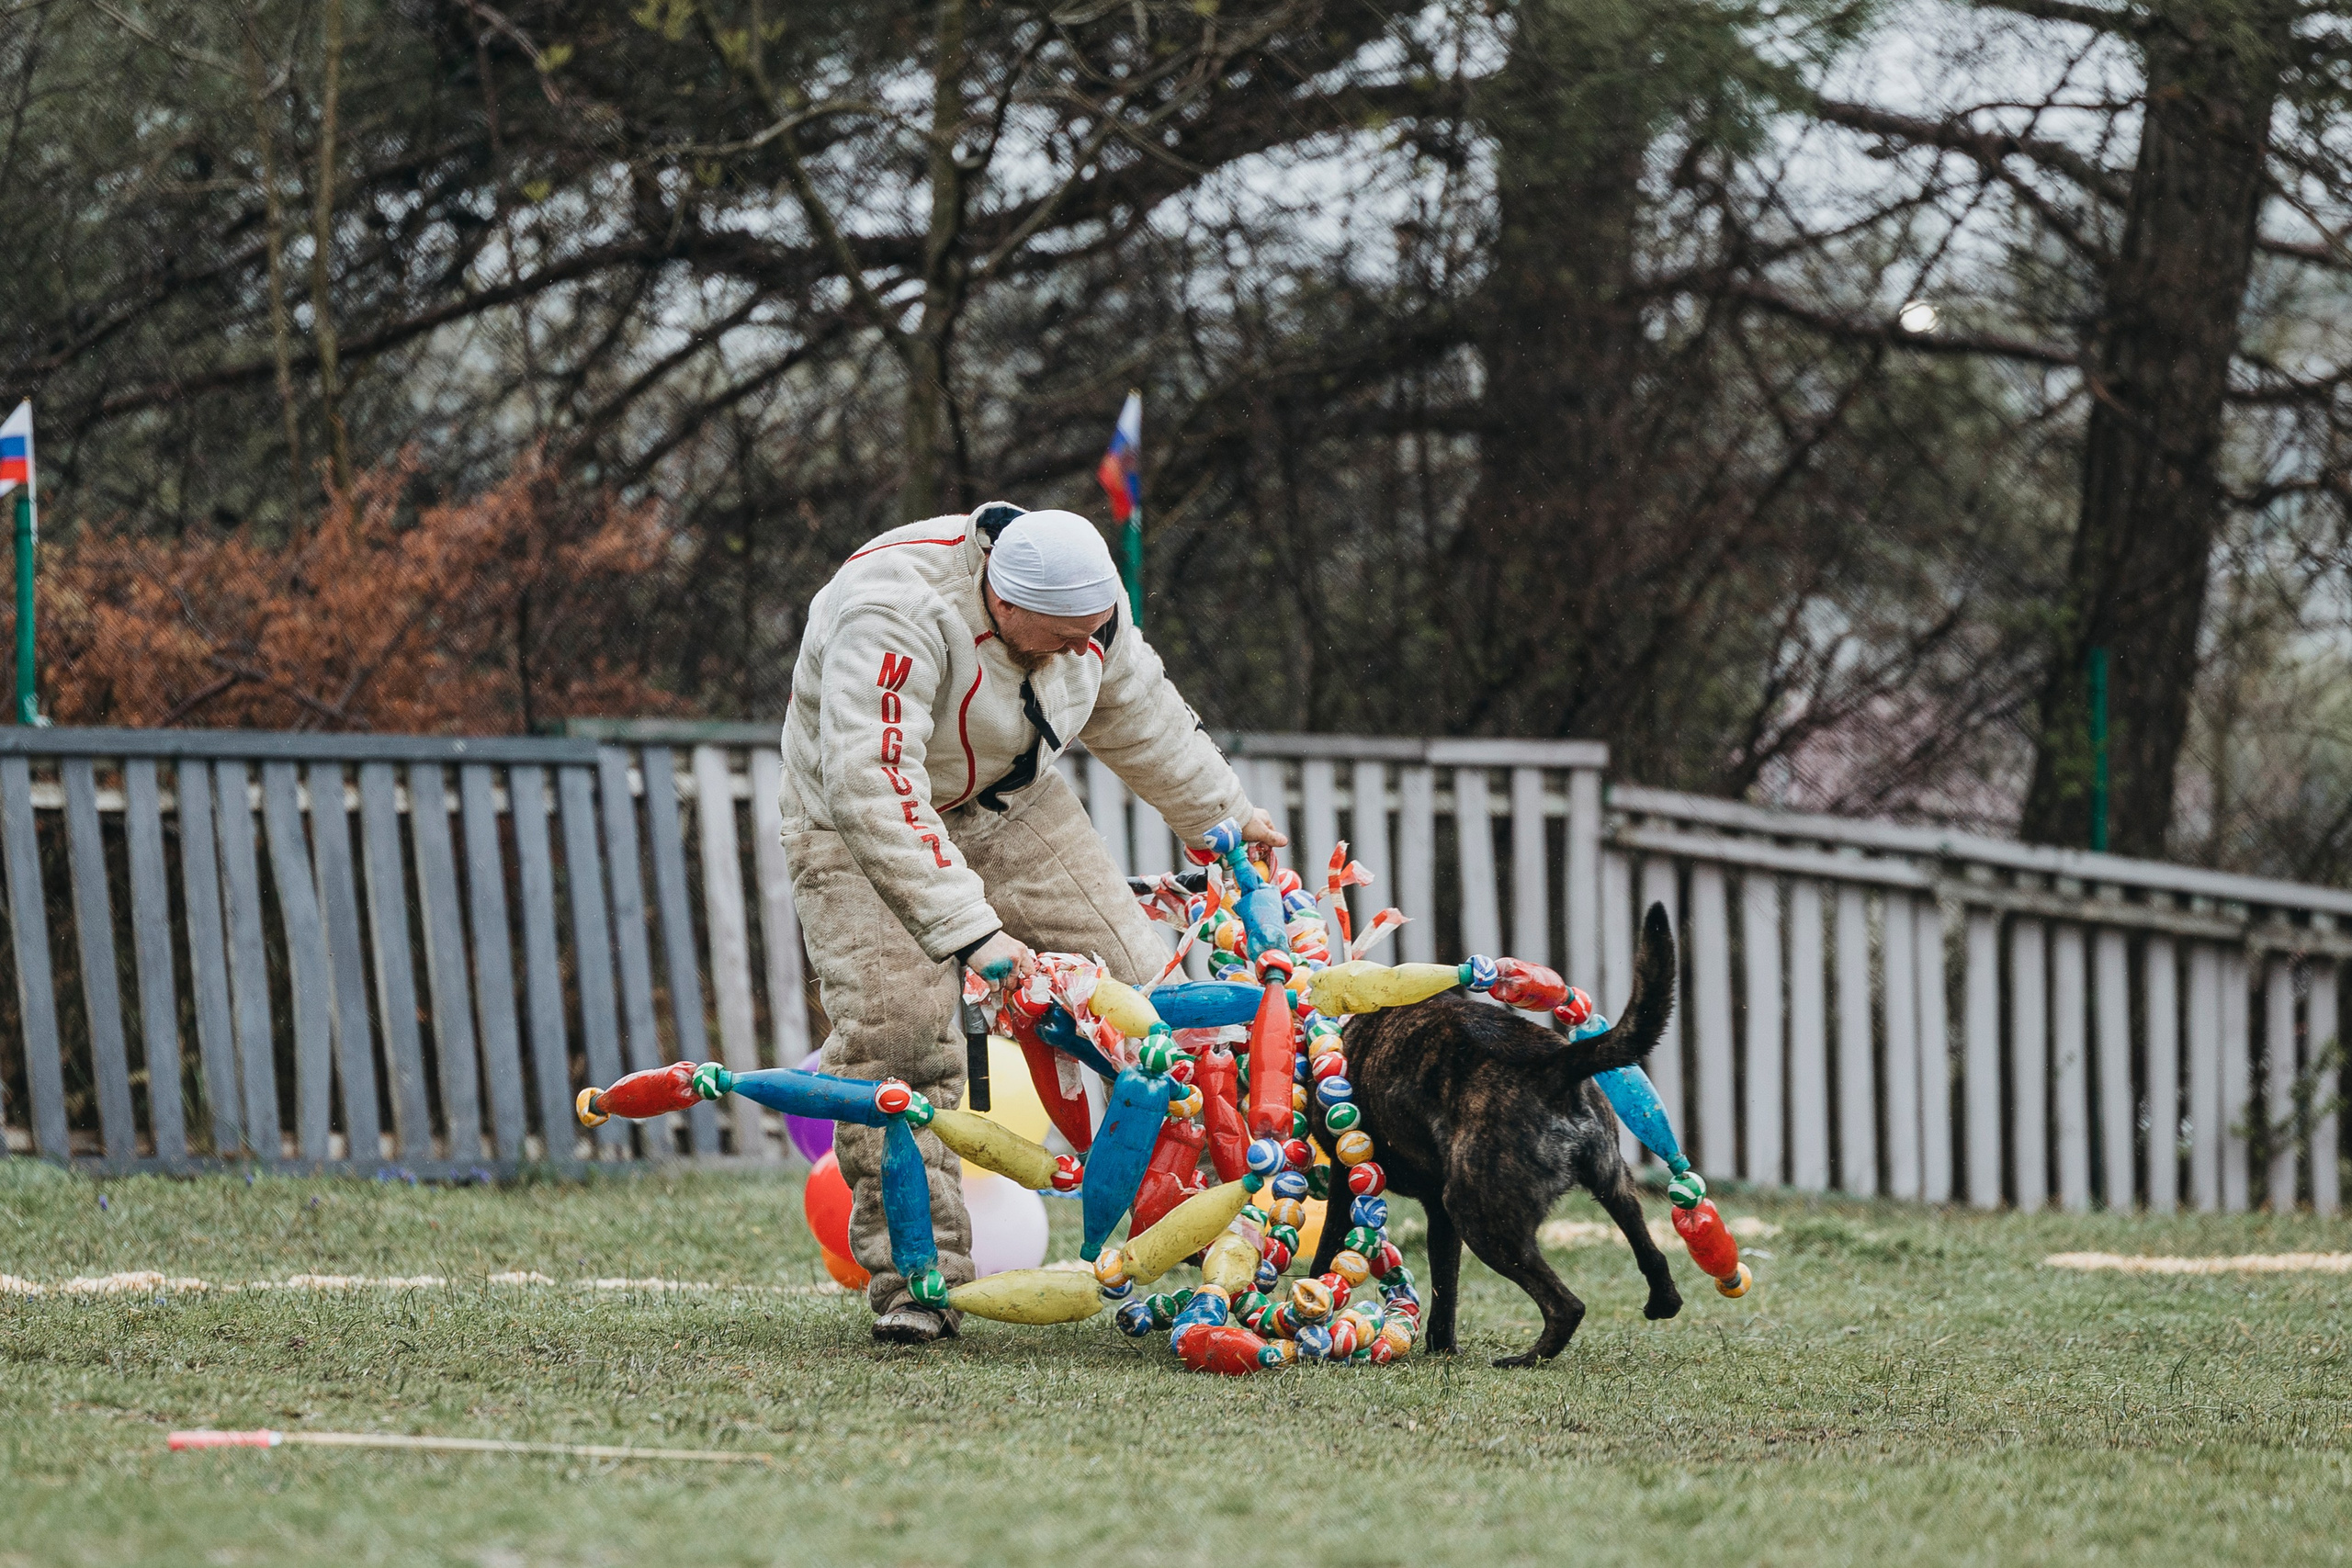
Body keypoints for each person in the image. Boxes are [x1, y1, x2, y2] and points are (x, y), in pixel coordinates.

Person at [778, 502, 1286, 1343]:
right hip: (853, 819)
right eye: (1059, 638)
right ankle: (918, 1283)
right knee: (897, 1041)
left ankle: (1207, 1243)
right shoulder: (892, 610)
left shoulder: (1086, 611)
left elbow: (1139, 709)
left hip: (1014, 804)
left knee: (1150, 1001)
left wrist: (1221, 815)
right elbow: (874, 787)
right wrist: (974, 935)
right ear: (999, 602)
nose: (1081, 652)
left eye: (1092, 634)